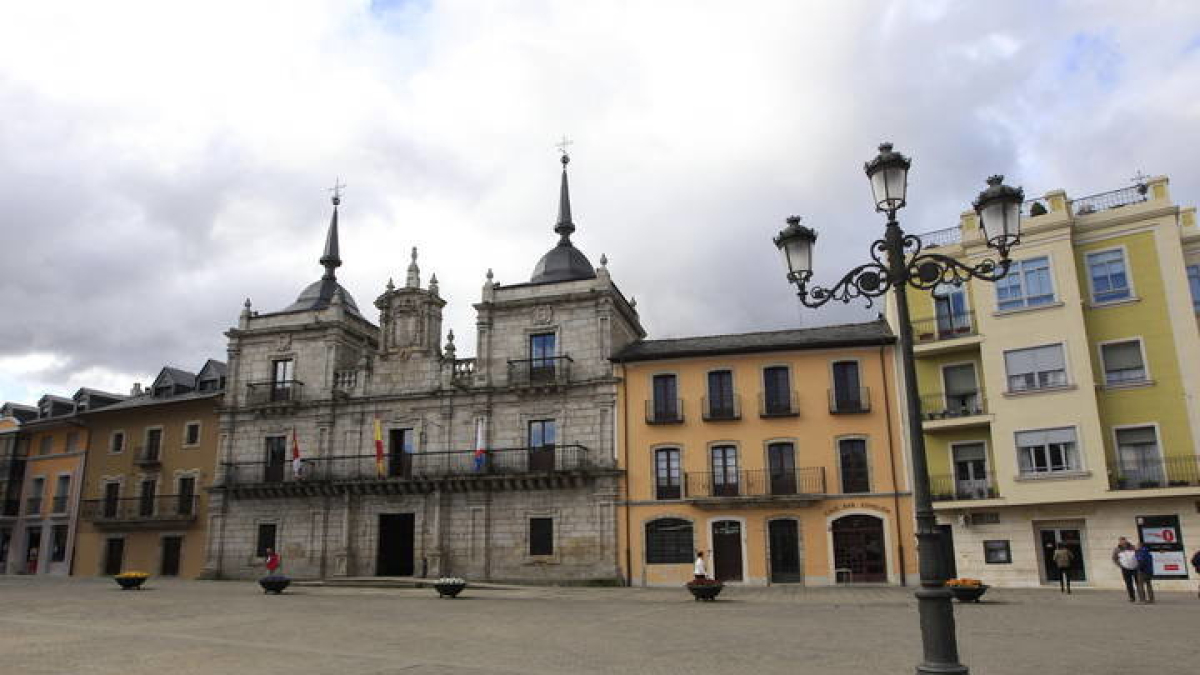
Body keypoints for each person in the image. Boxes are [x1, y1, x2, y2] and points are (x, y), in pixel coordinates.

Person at [1112, 537, 1139, 602]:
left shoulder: (1133, 547)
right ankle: (1132, 597)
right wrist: (1120, 565)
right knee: (1129, 583)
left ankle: (1141, 596)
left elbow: (1138, 555)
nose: (1123, 542)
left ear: (1126, 541)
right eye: (1121, 541)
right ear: (1119, 542)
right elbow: (1114, 558)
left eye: (1124, 541)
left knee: (1138, 583)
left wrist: (1138, 563)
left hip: (1135, 568)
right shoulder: (1117, 549)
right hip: (1125, 569)